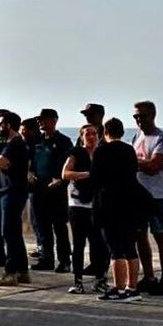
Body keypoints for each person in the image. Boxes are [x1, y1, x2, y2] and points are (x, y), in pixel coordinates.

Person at [91, 118, 144, 300]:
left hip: (109, 204)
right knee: (130, 247)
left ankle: (119, 289)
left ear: (105, 132)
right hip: (130, 203)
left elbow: (95, 178)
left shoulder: (101, 151)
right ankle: (132, 287)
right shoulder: (129, 150)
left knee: (115, 248)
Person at [132, 101, 163, 296]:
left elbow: (153, 166)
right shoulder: (137, 137)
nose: (139, 120)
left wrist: (132, 161)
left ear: (153, 116)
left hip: (157, 196)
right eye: (136, 117)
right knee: (140, 236)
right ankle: (149, 276)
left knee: (159, 235)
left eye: (143, 116)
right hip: (139, 196)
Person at [62, 124, 107, 294]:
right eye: (87, 134)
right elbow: (65, 173)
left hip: (97, 204)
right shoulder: (76, 153)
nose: (91, 137)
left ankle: (100, 279)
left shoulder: (102, 153)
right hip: (78, 204)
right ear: (82, 137)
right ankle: (78, 281)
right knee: (79, 244)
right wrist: (86, 174)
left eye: (94, 134)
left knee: (99, 244)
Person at [30, 109, 73, 273]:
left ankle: (64, 261)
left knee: (59, 227)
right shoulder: (37, 140)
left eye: (43, 119)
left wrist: (61, 180)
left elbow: (69, 164)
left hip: (56, 190)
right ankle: (46, 259)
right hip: (38, 188)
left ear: (53, 121)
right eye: (39, 119)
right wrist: (30, 172)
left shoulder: (64, 141)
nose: (40, 122)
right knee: (42, 227)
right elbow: (31, 160)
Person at [0, 114, 35, 286]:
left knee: (8, 232)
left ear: (9, 125)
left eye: (1, 124)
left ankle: (10, 272)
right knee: (15, 233)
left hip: (11, 192)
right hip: (15, 192)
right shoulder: (18, 144)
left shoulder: (14, 144)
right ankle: (23, 271)